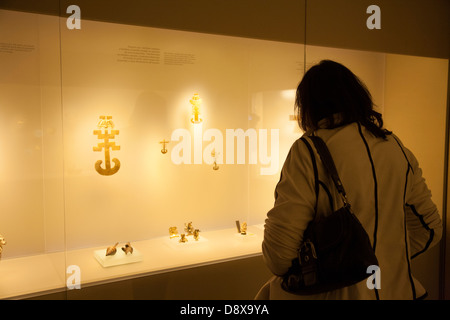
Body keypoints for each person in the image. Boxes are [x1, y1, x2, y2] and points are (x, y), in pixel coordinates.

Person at [256, 60, 442, 300]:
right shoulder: (397, 148)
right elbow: (429, 229)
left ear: (309, 106)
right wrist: (381, 256)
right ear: (357, 95)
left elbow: (279, 256)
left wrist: (347, 264)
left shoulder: (309, 151)